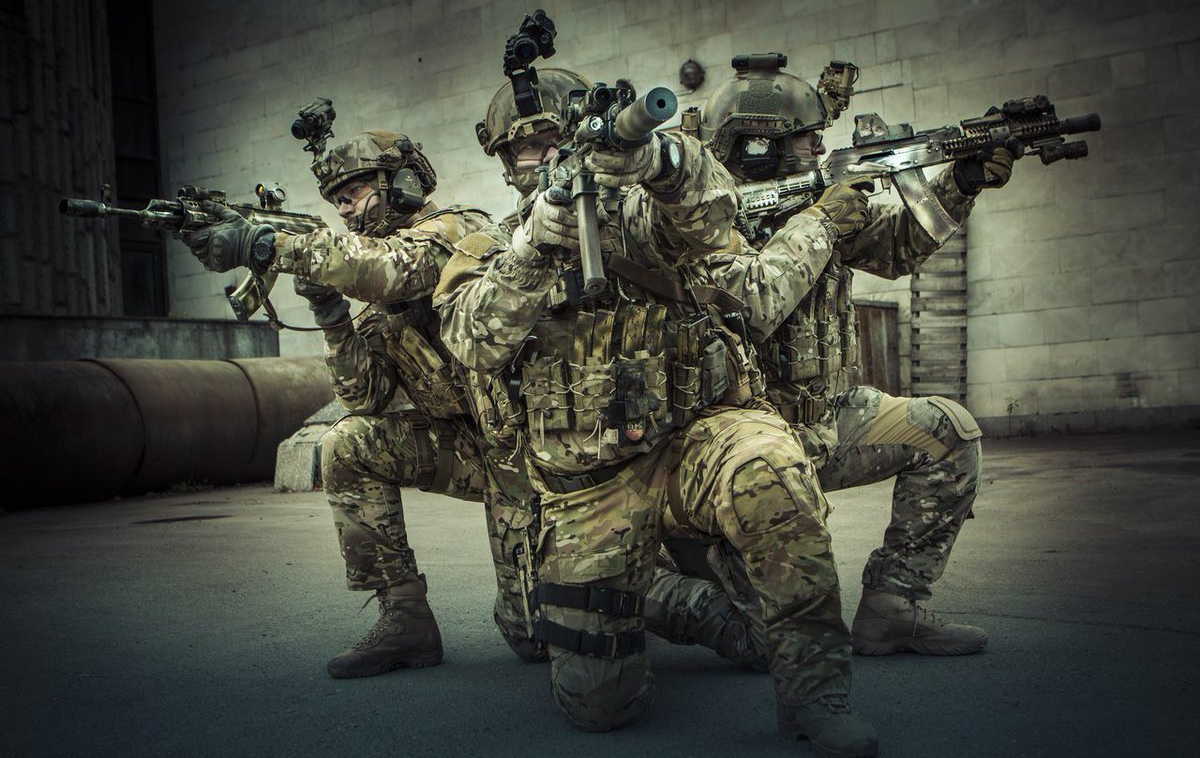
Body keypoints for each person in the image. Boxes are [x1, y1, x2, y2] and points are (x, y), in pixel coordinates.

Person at [437, 68, 879, 758]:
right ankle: (667, 599)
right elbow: (472, 340)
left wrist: (661, 160)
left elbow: (711, 215)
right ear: (505, 162)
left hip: (695, 440)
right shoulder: (488, 246)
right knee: (597, 706)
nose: (547, 155)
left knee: (771, 466)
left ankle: (816, 698)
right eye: (529, 147)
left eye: (560, 139)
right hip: (589, 484)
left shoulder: (642, 215)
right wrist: (534, 246)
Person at [679, 53, 1016, 658]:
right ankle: (647, 588)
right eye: (804, 138)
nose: (818, 148)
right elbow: (748, 304)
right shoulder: (702, 221)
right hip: (742, 446)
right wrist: (819, 223)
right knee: (770, 645)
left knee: (948, 433)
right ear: (758, 147)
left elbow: (898, 247)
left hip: (828, 419)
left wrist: (960, 183)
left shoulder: (821, 204)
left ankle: (893, 608)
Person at [181, 129, 544, 675]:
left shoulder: (457, 230)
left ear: (401, 182)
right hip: (472, 451)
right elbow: (363, 395)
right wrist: (330, 315)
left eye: (353, 193)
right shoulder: (377, 295)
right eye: (337, 201)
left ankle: (658, 583)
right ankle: (406, 620)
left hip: (534, 455)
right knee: (348, 445)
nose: (344, 210)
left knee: (535, 637)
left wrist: (269, 246)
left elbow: (390, 268)